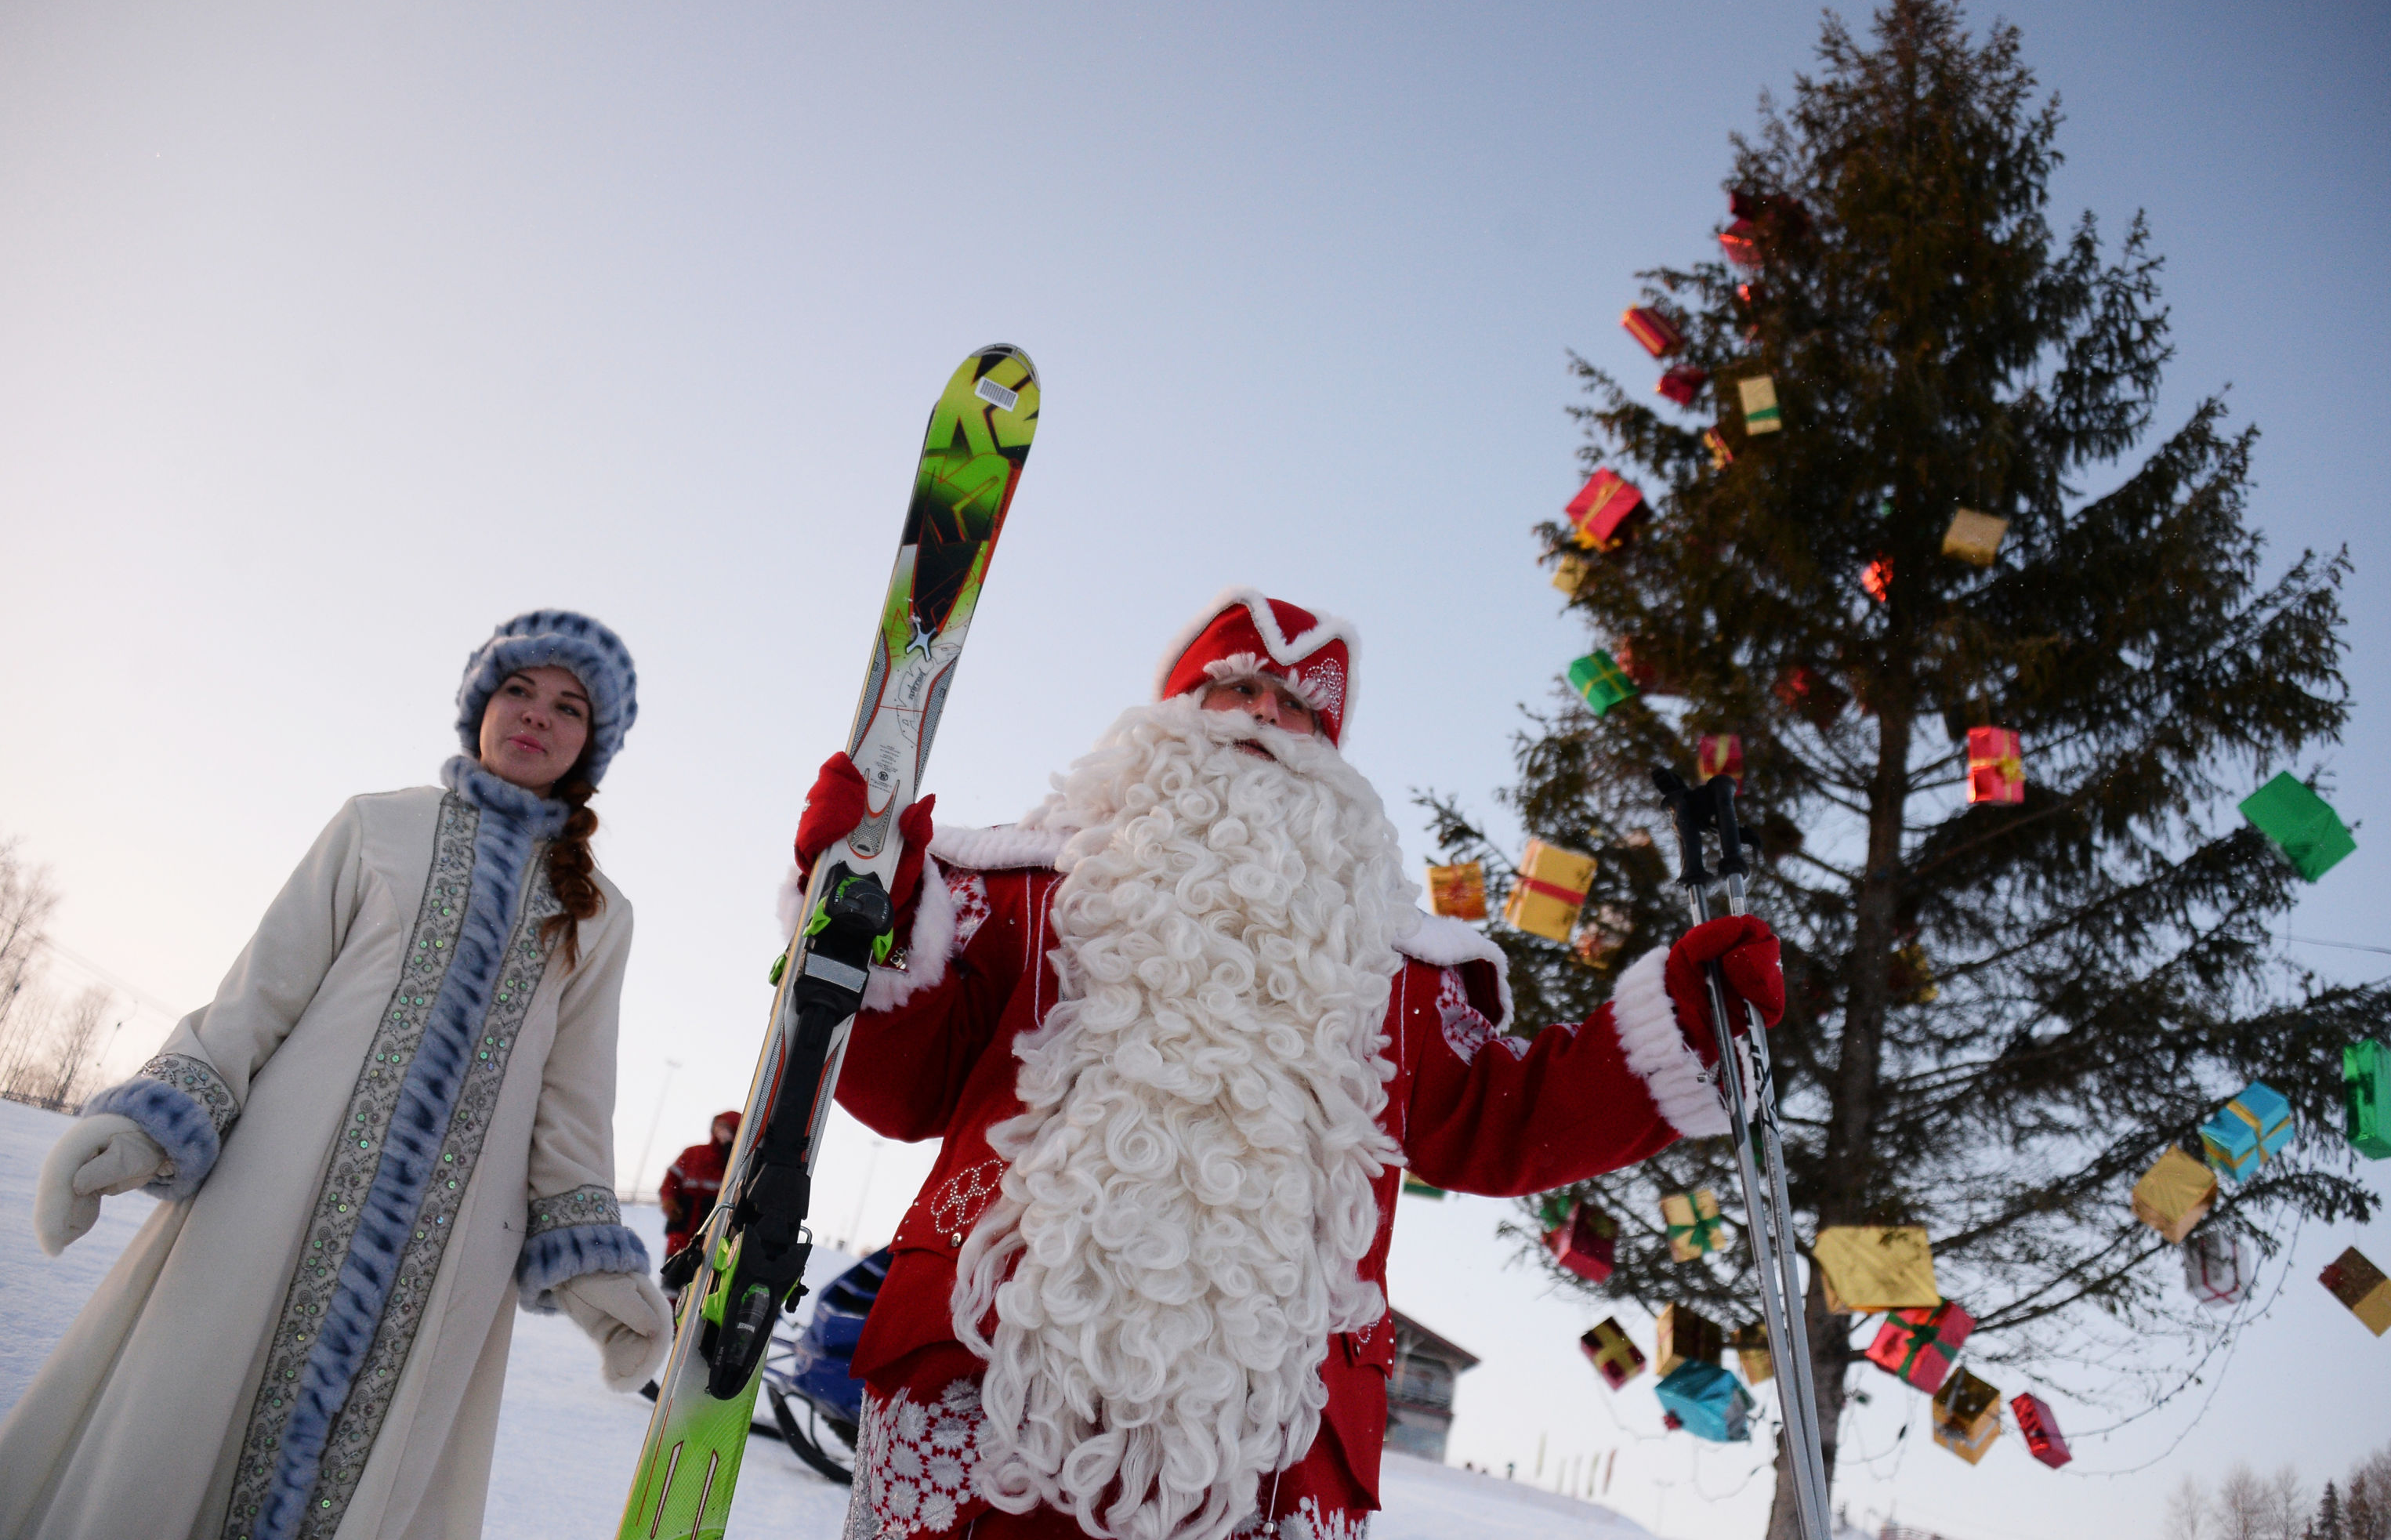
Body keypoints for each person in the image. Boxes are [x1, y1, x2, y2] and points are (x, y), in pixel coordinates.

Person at [792, 588, 1787, 1540]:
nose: (1267, 715)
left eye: (1301, 706)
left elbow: (1510, 1118)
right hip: (983, 1382)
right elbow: (902, 1079)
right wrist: (862, 908)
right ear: (1174, 714)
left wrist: (1686, 1027)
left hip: (1263, 1450)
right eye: (1238, 686)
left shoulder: (1400, 973)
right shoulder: (1015, 893)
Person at [1, 611, 674, 1540]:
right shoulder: (377, 826)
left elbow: (573, 1103)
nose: (536, 716)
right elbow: (259, 996)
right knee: (186, 1418)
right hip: (273, 1194)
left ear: (590, 745)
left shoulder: (597, 913)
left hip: (450, 1258)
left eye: (568, 706)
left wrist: (592, 1263)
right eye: (518, 688)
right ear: (481, 701)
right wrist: (150, 1122)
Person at [658, 1109, 742, 1289]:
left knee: (698, 1290)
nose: (721, 1131)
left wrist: (729, 1148)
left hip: (710, 1244)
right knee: (670, 1290)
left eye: (727, 1128)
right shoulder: (692, 1154)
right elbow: (669, 1184)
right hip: (680, 1238)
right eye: (719, 1125)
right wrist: (669, 1203)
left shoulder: (735, 1167)